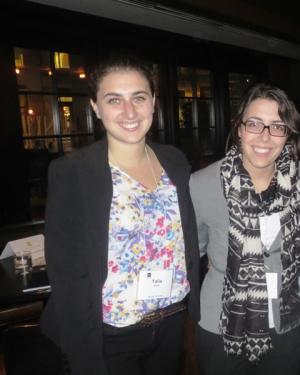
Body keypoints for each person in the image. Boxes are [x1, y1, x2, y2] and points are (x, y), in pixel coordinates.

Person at [41, 54, 200, 375]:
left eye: (139, 98)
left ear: (153, 102)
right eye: (114, 100)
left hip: (169, 321)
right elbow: (66, 274)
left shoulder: (175, 161)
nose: (129, 112)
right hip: (106, 333)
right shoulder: (72, 172)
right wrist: (85, 356)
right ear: (96, 107)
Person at [190, 83, 300, 375]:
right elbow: (194, 250)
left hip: (286, 320)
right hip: (224, 322)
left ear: (288, 134)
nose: (264, 137)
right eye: (254, 124)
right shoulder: (202, 184)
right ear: (240, 128)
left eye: (277, 126)